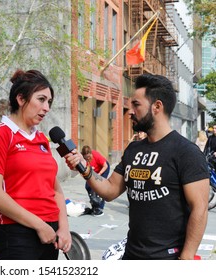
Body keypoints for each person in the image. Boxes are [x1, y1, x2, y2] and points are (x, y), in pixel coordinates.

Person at [64, 74, 209, 260]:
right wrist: (84, 167)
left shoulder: (186, 152)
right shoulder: (133, 149)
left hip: (167, 259)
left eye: (136, 105)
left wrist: (187, 257)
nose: (130, 111)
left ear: (157, 107)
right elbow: (109, 190)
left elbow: (200, 208)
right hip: (132, 255)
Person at [0, 69, 71, 260]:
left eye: (49, 102)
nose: (47, 107)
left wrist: (64, 228)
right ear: (21, 99)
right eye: (41, 99)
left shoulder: (41, 138)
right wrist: (39, 225)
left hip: (50, 232)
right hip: (17, 233)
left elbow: (55, 190)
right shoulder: (1, 133)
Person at [80, 145, 110, 217]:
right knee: (88, 186)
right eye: (86, 158)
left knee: (100, 187)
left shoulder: (96, 155)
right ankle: (94, 205)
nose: (88, 159)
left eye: (89, 157)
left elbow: (105, 166)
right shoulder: (82, 159)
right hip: (93, 171)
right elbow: (82, 171)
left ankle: (100, 207)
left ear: (91, 154)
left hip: (103, 169)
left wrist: (99, 175)